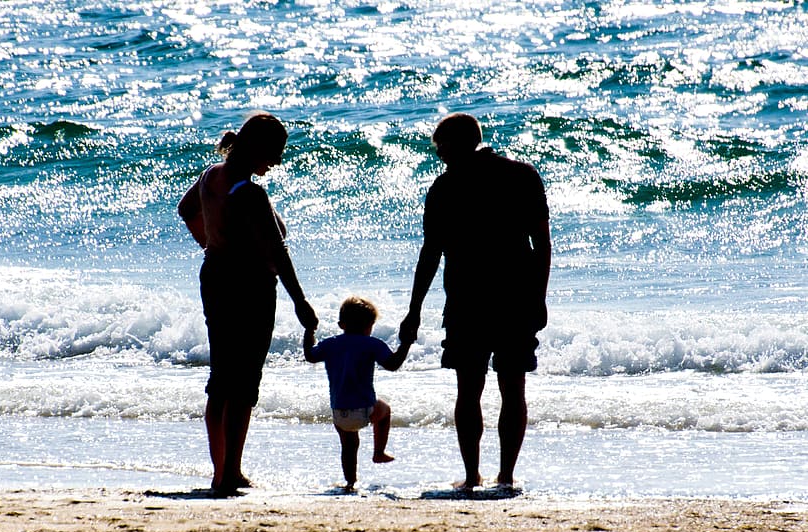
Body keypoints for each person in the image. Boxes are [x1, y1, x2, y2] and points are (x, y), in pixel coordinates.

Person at [399, 113, 551, 493]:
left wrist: (415, 310)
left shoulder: (445, 187)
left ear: (459, 142)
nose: (439, 156)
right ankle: (505, 476)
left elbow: (430, 255)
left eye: (441, 147)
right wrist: (538, 295)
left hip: (467, 300)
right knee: (511, 388)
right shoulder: (522, 175)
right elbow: (542, 245)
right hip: (515, 297)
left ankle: (472, 476)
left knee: (470, 390)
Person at [178, 112, 318, 495]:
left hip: (216, 276)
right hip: (250, 286)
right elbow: (278, 250)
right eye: (275, 152)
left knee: (222, 378)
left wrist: (212, 245)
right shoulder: (251, 193)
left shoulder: (211, 175)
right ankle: (230, 474)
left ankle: (221, 471)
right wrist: (301, 302)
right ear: (256, 147)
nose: (277, 161)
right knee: (243, 382)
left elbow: (187, 210)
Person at [304, 296, 411, 492]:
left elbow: (310, 355)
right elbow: (393, 364)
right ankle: (379, 452)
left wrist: (309, 331)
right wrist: (406, 343)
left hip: (338, 411)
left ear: (341, 324)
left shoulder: (329, 344)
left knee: (349, 445)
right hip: (365, 409)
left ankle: (350, 482)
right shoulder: (372, 344)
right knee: (385, 410)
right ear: (370, 325)